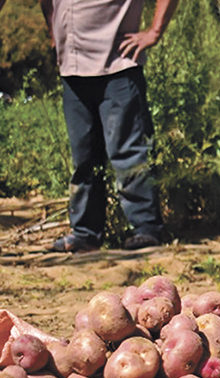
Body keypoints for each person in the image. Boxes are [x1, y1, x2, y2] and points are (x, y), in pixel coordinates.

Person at [39, 0, 178, 252]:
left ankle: (146, 229)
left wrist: (154, 32)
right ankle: (86, 234)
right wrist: (54, 33)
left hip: (118, 65)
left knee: (128, 153)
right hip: (72, 68)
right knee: (83, 158)